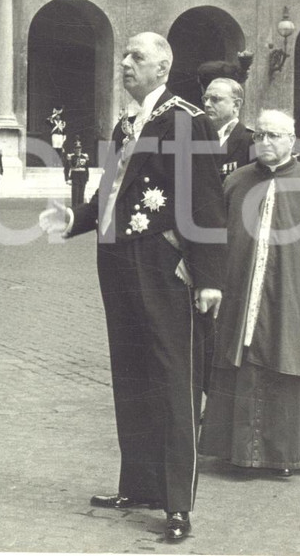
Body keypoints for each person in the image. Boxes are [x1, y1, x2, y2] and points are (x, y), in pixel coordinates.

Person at [39, 31, 226, 541]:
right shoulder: (129, 122)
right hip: (119, 261)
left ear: (162, 67)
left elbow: (207, 200)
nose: (124, 62)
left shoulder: (187, 119)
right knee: (131, 371)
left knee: (173, 378)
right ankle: (139, 484)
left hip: (165, 265)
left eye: (136, 57)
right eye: (124, 55)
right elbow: (115, 192)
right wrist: (76, 218)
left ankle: (177, 503)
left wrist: (209, 277)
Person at [199, 109, 300, 476]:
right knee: (240, 364)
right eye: (260, 135)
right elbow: (212, 237)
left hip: (296, 294)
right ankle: (238, 452)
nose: (265, 142)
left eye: (274, 136)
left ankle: (284, 454)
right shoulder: (236, 182)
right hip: (241, 294)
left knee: (288, 363)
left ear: (292, 140)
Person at [202, 77, 255, 180]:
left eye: (215, 99)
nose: (207, 104)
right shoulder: (199, 137)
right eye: (205, 99)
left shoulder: (251, 141)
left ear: (236, 105)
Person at [66, 139, 90, 207]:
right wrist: (67, 178)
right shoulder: (71, 157)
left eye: (79, 148)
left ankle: (80, 212)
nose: (78, 149)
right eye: (77, 148)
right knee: (75, 196)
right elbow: (67, 168)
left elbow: (87, 168)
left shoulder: (84, 157)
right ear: (74, 149)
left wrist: (87, 177)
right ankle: (74, 211)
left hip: (82, 177)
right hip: (75, 177)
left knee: (81, 196)